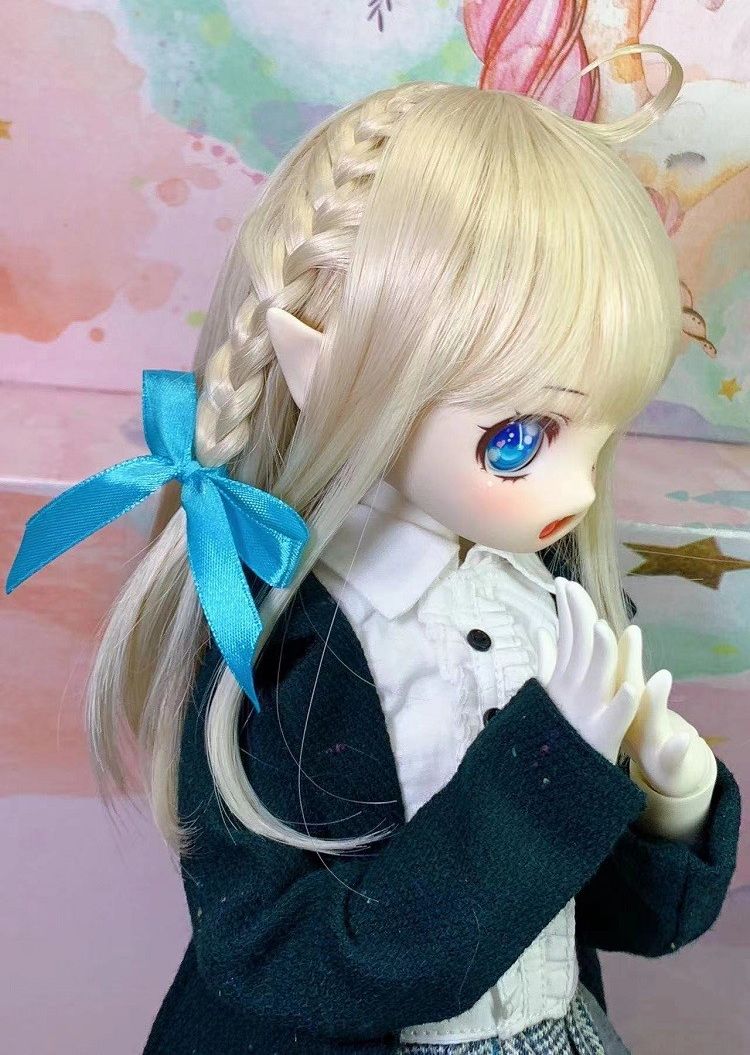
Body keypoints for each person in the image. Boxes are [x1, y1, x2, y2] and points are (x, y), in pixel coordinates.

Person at [6, 44, 740, 1055]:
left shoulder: (550, 590)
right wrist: (549, 769)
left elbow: (603, 913)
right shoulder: (276, 642)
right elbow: (283, 958)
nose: (578, 491)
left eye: (606, 430)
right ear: (330, 371)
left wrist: (668, 802)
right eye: (517, 440)